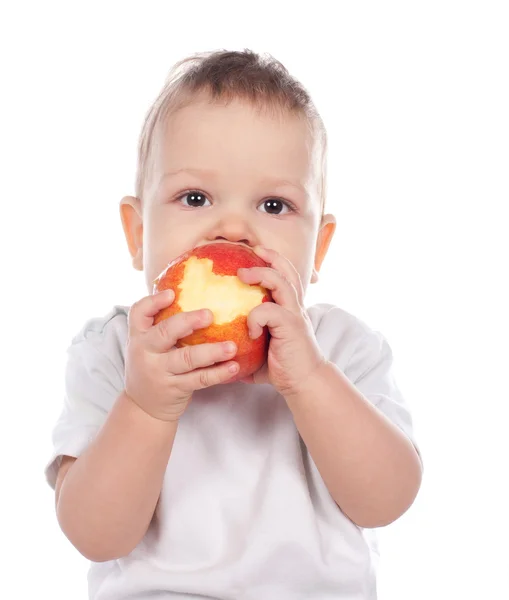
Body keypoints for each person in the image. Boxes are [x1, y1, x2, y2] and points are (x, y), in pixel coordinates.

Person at [45, 49, 422, 600]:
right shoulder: (114, 353)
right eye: (194, 198)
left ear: (318, 248)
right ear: (137, 233)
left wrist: (311, 380)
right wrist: (147, 407)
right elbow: (95, 536)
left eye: (274, 205)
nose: (234, 229)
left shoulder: (342, 348)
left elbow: (386, 501)